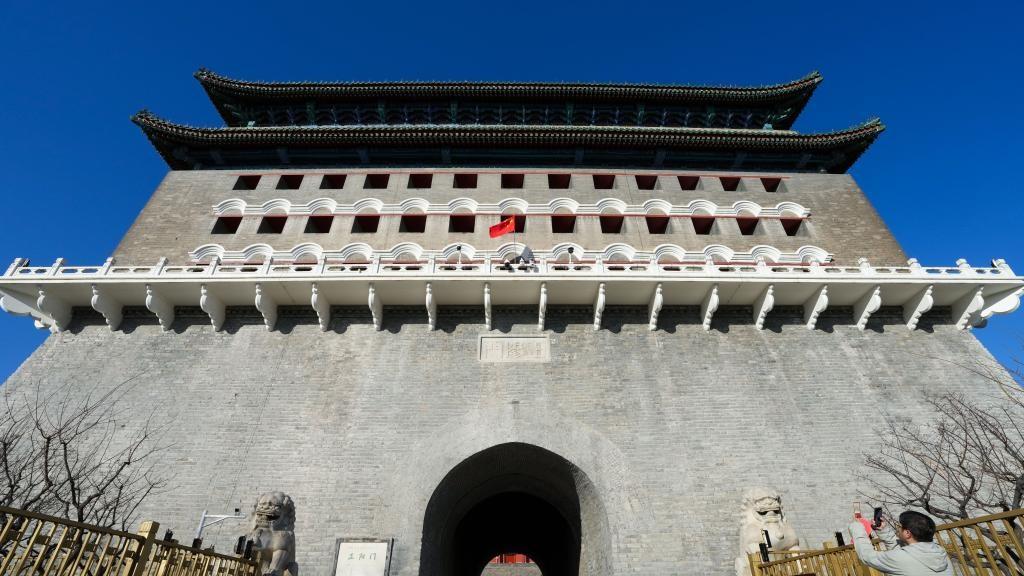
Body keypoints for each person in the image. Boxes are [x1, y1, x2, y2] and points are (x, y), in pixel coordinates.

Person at [849, 510, 954, 575]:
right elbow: (905, 554)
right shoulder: (941, 552)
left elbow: (867, 556)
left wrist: (857, 527)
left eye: (901, 527)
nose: (898, 528)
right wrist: (884, 531)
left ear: (907, 533)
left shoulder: (901, 558)